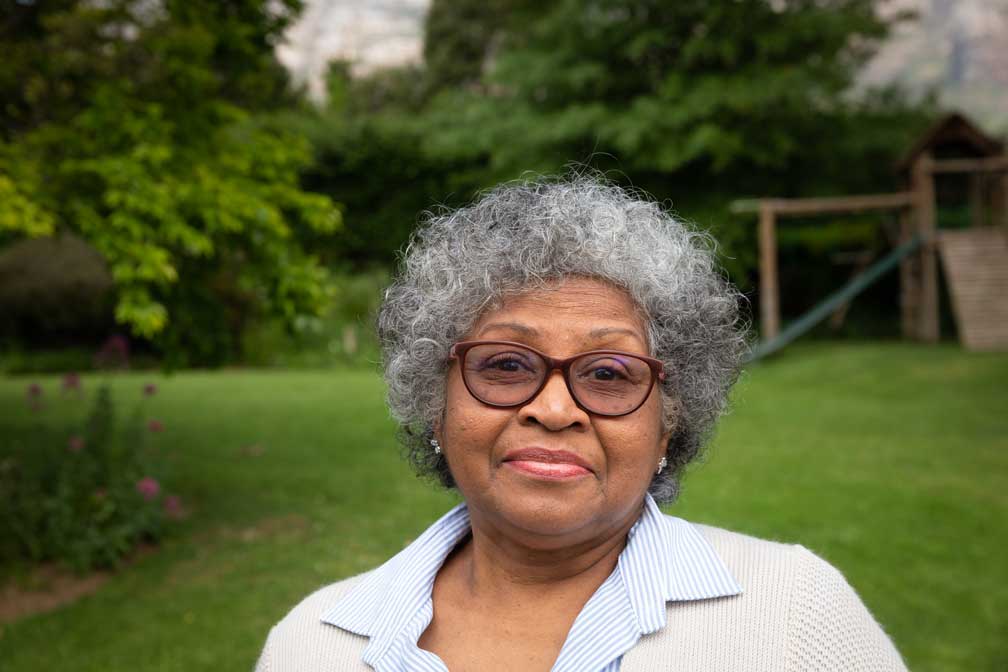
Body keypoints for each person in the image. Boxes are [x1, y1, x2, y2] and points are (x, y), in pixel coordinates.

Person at [255, 176, 906, 671]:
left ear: (667, 421)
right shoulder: (313, 645)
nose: (555, 408)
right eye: (507, 364)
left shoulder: (793, 614)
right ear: (438, 399)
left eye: (607, 373)